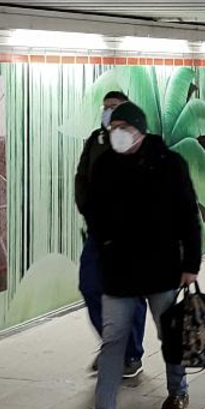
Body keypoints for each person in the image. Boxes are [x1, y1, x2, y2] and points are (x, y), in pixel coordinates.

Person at [73, 102, 202, 409]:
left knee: (168, 334)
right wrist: (105, 247)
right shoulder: (104, 167)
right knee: (113, 341)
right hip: (119, 271)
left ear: (140, 132)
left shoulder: (169, 164)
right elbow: (94, 213)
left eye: (123, 129)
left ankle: (178, 390)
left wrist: (191, 264)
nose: (116, 134)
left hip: (161, 268)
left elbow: (189, 215)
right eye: (112, 128)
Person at [76, 91, 146, 379]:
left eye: (114, 109)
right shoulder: (96, 141)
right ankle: (112, 346)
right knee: (90, 287)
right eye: (105, 110)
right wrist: (89, 212)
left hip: (132, 237)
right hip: (97, 232)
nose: (108, 115)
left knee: (131, 295)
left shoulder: (144, 148)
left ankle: (130, 354)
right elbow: (82, 178)